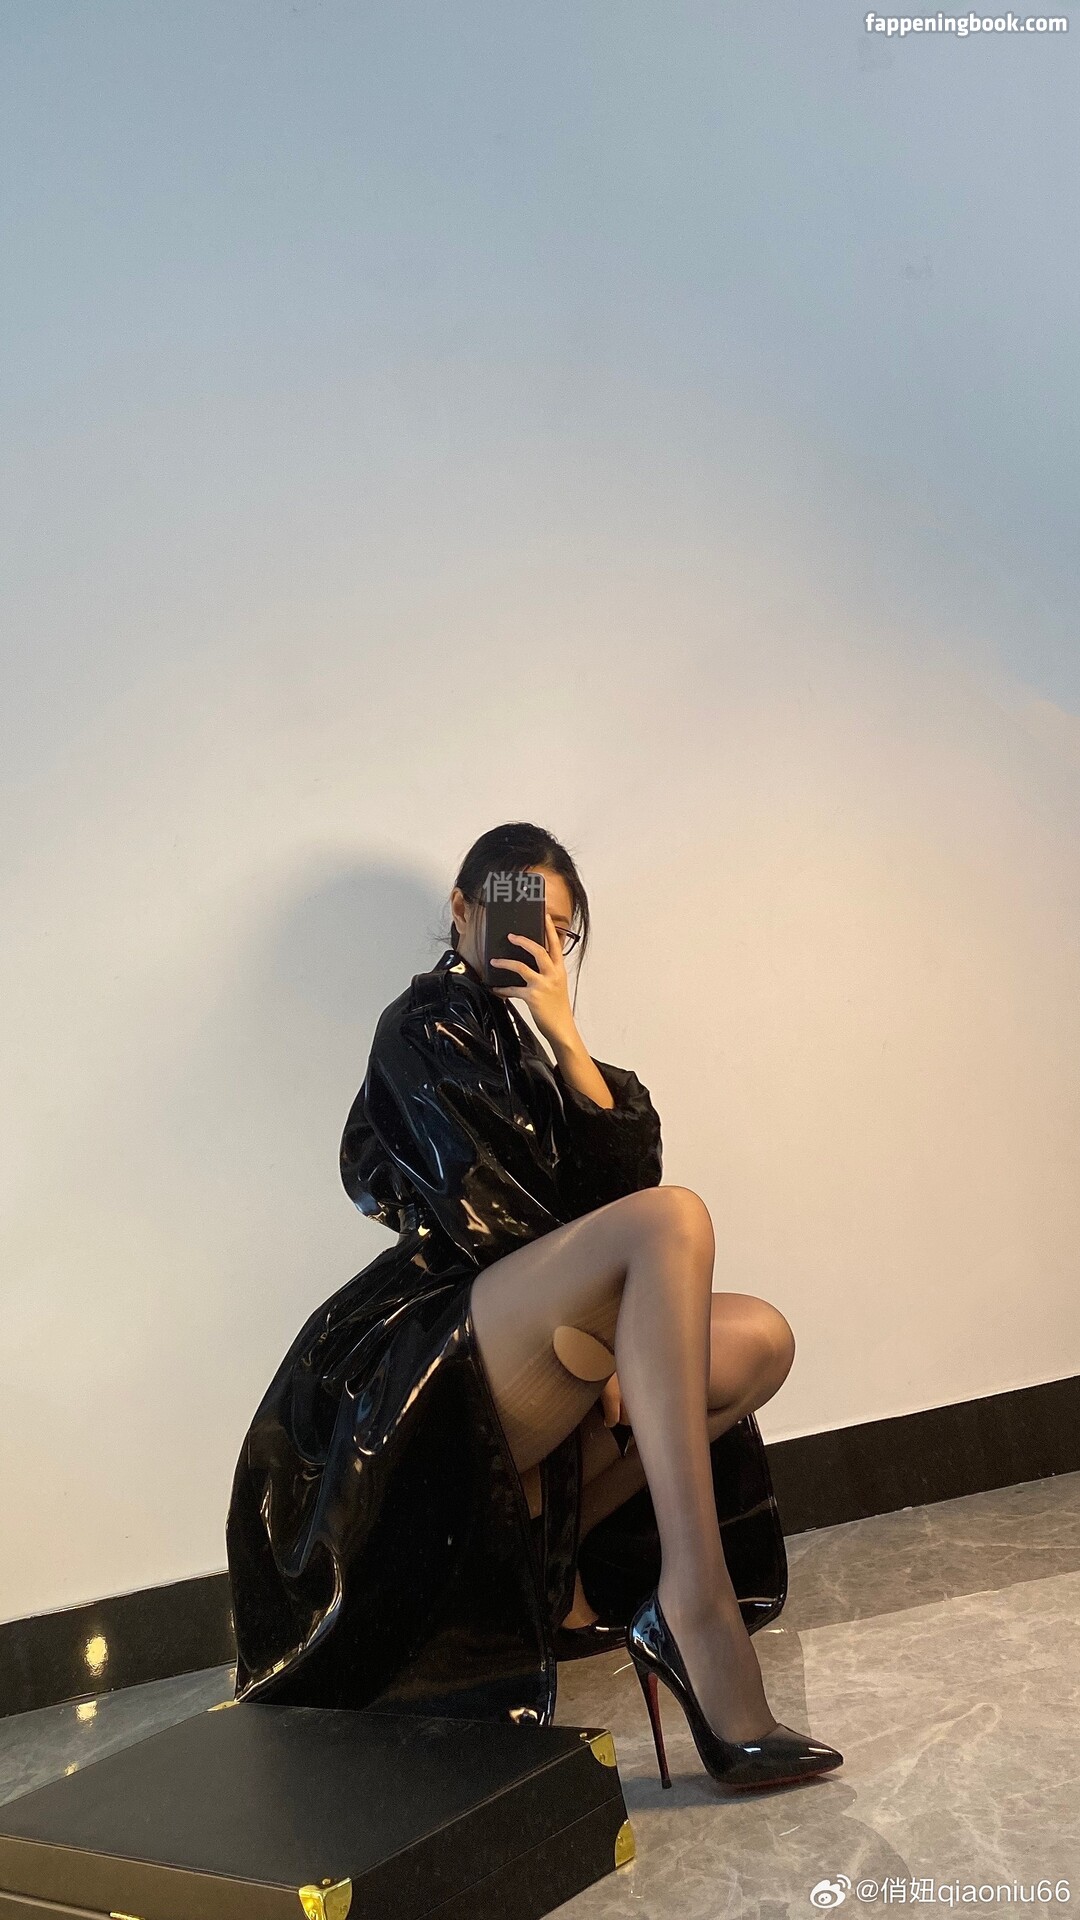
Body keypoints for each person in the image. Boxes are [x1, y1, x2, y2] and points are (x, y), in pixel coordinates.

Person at [226, 822, 843, 1793]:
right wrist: (612, 1336)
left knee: (759, 1338)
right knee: (674, 1221)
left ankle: (557, 1581)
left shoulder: (534, 1044)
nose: (538, 942)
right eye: (517, 915)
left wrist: (566, 1036)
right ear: (463, 911)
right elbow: (491, 1215)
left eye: (558, 929)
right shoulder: (421, 1026)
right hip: (431, 1349)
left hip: (533, 1330)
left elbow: (627, 1198)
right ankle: (695, 1604)